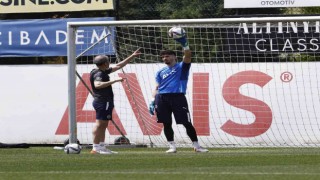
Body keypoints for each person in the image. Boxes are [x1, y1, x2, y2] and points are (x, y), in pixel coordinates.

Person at [148, 30, 209, 153]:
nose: (165, 58)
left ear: (174, 57)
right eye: (163, 57)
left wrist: (184, 44)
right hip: (162, 98)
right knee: (166, 123)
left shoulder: (182, 67)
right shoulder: (160, 72)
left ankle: (197, 146)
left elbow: (187, 56)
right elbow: (156, 87)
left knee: (186, 123)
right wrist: (152, 100)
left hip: (178, 97)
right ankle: (172, 146)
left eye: (167, 56)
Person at [90, 49, 141, 154]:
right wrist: (114, 81)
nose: (109, 63)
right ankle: (95, 148)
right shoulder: (99, 73)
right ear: (105, 63)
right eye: (108, 61)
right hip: (102, 101)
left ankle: (102, 147)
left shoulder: (100, 70)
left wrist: (132, 56)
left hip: (104, 101)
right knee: (100, 124)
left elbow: (118, 66)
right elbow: (97, 85)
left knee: (104, 124)